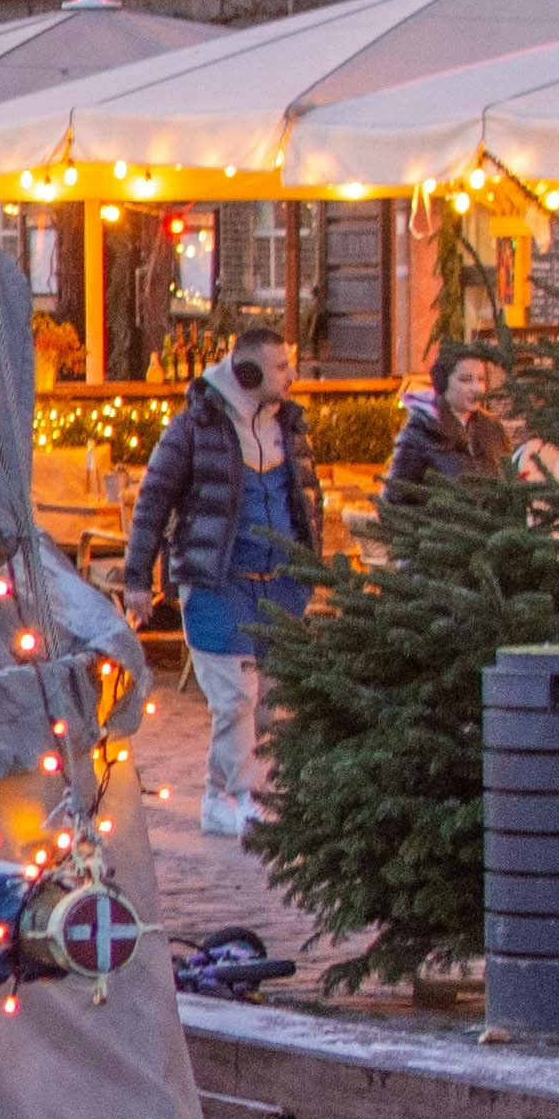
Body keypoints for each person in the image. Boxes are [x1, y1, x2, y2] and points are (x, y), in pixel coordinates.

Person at [128, 326, 318, 838]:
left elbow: (306, 498)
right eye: (281, 367)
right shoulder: (195, 426)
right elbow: (153, 501)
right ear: (249, 372)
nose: (291, 376)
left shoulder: (290, 427)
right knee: (235, 698)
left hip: (280, 584)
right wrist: (137, 578)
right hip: (218, 581)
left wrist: (311, 565)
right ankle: (232, 797)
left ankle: (238, 793)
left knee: (272, 700)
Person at [379, 344, 511, 511]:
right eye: (465, 380)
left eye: (481, 380)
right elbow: (392, 505)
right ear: (443, 382)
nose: (476, 388)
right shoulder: (419, 435)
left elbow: (510, 485)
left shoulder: (493, 429)